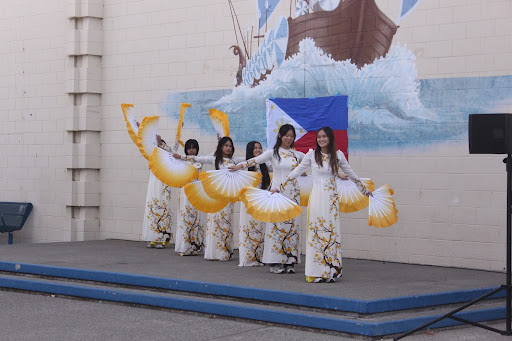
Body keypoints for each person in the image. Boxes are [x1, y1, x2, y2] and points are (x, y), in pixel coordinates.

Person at [272, 127, 372, 283]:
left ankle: (330, 271)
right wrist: (280, 186)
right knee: (317, 234)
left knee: (331, 234)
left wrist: (364, 190)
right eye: (319, 137)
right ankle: (316, 272)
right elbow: (296, 171)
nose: (321, 139)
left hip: (331, 201)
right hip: (317, 199)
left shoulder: (337, 156)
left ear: (330, 138)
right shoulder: (312, 155)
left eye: (324, 136)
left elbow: (351, 173)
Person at [230, 124, 304, 274]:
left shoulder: (298, 155)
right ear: (280, 136)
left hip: (293, 193)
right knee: (276, 226)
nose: (289, 138)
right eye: (286, 135)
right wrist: (239, 166)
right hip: (277, 192)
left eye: (291, 136)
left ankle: (290, 260)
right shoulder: (273, 153)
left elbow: (316, 161)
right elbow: (254, 160)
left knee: (292, 226)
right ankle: (276, 260)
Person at [173, 136, 243, 261]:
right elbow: (198, 158)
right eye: (226, 145)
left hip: (228, 196)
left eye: (230, 146)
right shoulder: (215, 159)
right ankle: (214, 253)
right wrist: (181, 157)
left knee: (227, 221)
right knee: (215, 222)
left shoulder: (235, 161)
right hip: (215, 195)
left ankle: (224, 252)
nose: (228, 148)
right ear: (221, 147)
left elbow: (249, 160)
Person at [238, 141, 271, 266]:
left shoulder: (265, 165)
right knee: (249, 227)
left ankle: (259, 256)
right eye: (255, 148)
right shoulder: (245, 165)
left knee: (260, 228)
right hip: (249, 201)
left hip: (262, 201)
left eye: (260, 148)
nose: (258, 150)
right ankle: (248, 257)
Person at [141, 136, 173, 249]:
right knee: (152, 210)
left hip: (164, 188)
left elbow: (171, 150)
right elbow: (143, 141)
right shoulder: (152, 161)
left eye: (161, 146)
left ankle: (162, 239)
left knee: (163, 211)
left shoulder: (168, 161)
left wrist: (160, 143)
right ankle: (151, 238)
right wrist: (140, 128)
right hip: (153, 188)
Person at [174, 139, 204, 256]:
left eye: (193, 148)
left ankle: (195, 246)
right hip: (185, 192)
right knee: (185, 217)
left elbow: (213, 155)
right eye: (189, 148)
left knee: (196, 218)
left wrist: (219, 142)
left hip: (197, 192)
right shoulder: (181, 161)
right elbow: (170, 153)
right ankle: (184, 246)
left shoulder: (199, 161)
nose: (191, 150)